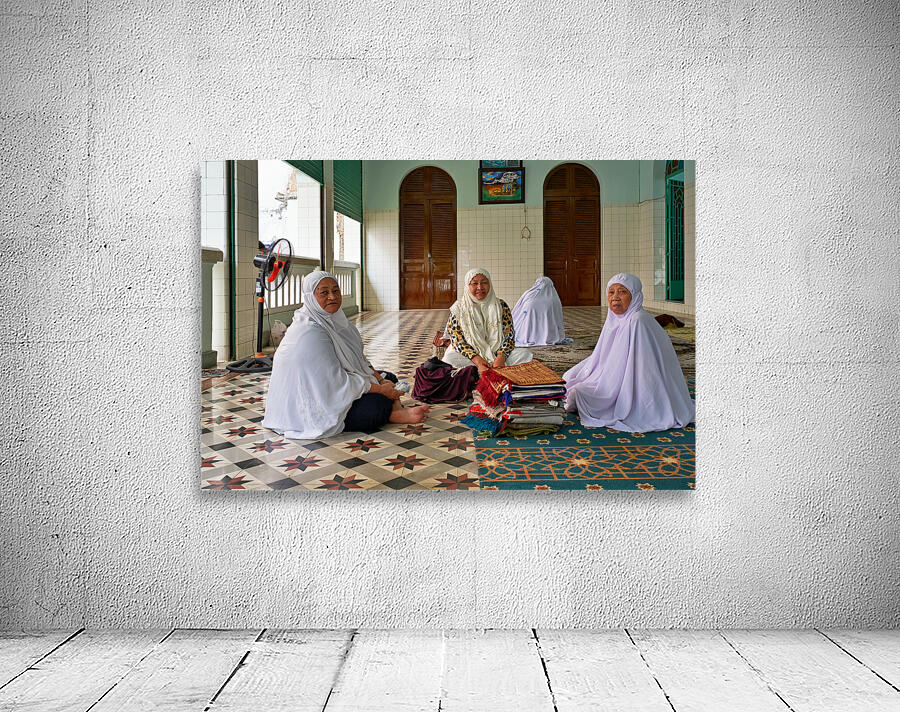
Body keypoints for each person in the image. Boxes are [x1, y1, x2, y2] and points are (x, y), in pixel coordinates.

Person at [263, 271, 429, 439]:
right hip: (310, 404)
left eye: (336, 291)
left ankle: (395, 410)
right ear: (310, 297)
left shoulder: (337, 322)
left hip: (334, 387)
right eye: (324, 292)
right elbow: (334, 382)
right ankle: (390, 413)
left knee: (389, 377)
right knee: (376, 405)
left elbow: (359, 360)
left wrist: (380, 380)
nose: (332, 297)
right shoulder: (309, 332)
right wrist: (381, 390)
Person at [563, 273, 695, 432]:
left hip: (635, 384)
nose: (615, 297)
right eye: (611, 292)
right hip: (615, 374)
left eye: (622, 292)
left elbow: (640, 369)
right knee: (569, 378)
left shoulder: (637, 320)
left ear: (635, 296)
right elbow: (604, 356)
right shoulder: (615, 318)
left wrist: (601, 384)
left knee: (580, 393)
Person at [441, 268, 534, 375]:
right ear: (468, 286)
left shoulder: (501, 305)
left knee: (525, 355)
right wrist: (478, 361)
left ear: (490, 285)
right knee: (449, 359)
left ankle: (480, 372)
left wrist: (501, 357)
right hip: (470, 356)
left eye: (484, 283)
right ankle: (491, 371)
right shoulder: (458, 308)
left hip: (496, 352)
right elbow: (457, 340)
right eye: (474, 283)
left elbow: (509, 336)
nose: (480, 287)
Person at [511, 276, 568, 347]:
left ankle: (532, 336)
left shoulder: (530, 293)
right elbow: (558, 317)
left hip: (528, 326)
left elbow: (519, 306)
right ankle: (546, 335)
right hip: (549, 331)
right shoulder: (554, 298)